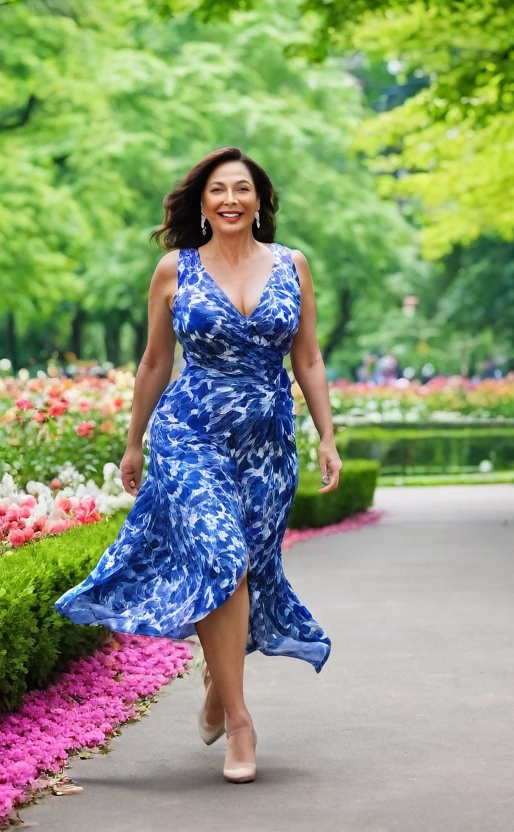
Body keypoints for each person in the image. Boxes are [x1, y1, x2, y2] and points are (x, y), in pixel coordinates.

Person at [54, 147, 343, 784]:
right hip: (189, 434)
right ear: (203, 202)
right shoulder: (173, 270)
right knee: (222, 555)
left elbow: (311, 359)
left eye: (243, 189)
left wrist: (327, 435)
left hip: (266, 444)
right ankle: (241, 721)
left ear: (260, 201)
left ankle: (217, 681)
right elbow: (156, 362)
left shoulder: (292, 266)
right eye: (219, 190)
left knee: (246, 564)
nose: (231, 199)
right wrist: (133, 442)